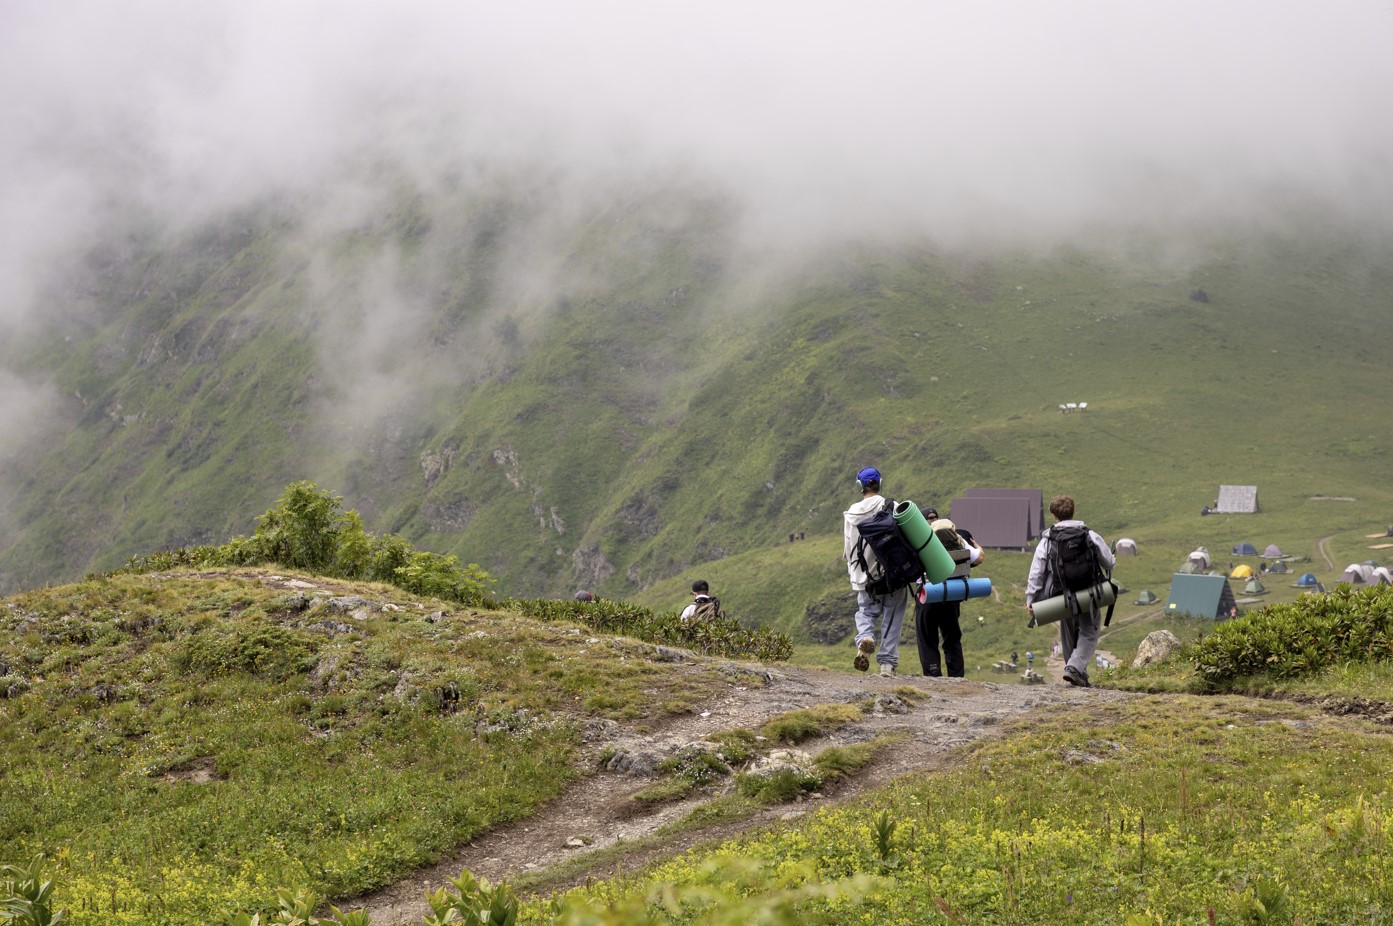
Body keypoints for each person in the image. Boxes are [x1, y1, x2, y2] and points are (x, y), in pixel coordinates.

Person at [1025, 494, 1116, 688]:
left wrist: (1031, 599)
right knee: (1089, 631)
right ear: (1074, 512)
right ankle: (1075, 669)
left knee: (1067, 633)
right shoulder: (1089, 535)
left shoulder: (1048, 540)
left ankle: (1074, 671)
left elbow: (1036, 572)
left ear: (1053, 515)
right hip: (1089, 593)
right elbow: (1108, 561)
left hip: (1061, 595)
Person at [843, 466, 910, 677]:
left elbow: (847, 548)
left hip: (865, 579)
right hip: (893, 576)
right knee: (892, 618)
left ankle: (866, 637)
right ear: (880, 483)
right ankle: (887, 666)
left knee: (865, 612)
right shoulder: (892, 506)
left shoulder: (851, 514)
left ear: (859, 486)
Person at [913, 506, 984, 678]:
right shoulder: (956, 536)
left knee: (927, 638)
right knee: (952, 638)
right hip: (951, 594)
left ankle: (933, 673)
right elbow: (979, 558)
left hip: (928, 595)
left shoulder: (917, 538)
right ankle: (956, 676)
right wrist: (977, 546)